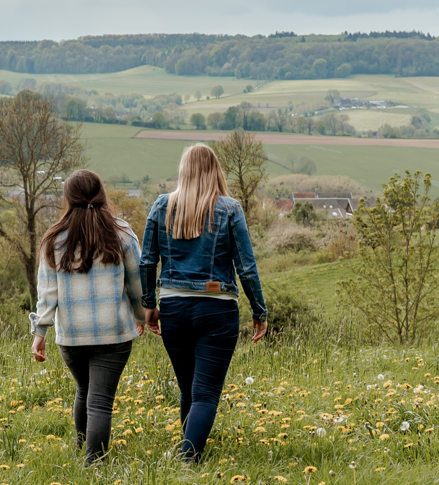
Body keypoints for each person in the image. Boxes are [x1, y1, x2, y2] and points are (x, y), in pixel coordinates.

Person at [140, 144, 268, 463]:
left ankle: (191, 452)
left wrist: (149, 305)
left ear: (184, 170)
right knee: (206, 393)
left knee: (189, 389)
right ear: (216, 171)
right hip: (217, 308)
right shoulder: (230, 208)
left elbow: (146, 262)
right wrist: (259, 311)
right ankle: (188, 461)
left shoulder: (161, 205)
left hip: (174, 308)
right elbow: (247, 267)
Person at [29, 169, 150, 464]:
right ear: (102, 194)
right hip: (114, 333)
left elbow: (47, 294)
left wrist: (40, 332)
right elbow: (137, 284)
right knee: (100, 401)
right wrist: (142, 317)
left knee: (84, 390)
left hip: (71, 335)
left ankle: (83, 450)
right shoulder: (122, 233)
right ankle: (93, 464)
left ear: (67, 198)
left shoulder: (53, 239)